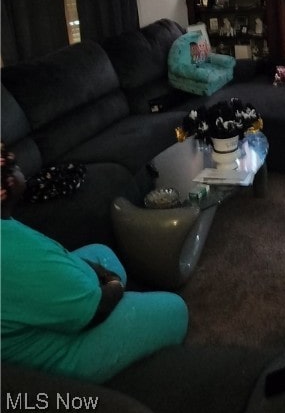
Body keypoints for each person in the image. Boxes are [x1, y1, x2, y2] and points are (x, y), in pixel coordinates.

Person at [0, 142, 189, 383]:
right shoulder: (14, 252)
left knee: (102, 253)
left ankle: (121, 302)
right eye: (11, 165)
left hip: (50, 303)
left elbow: (47, 264)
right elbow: (92, 311)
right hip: (52, 355)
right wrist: (113, 285)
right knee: (175, 308)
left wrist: (98, 272)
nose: (18, 163)